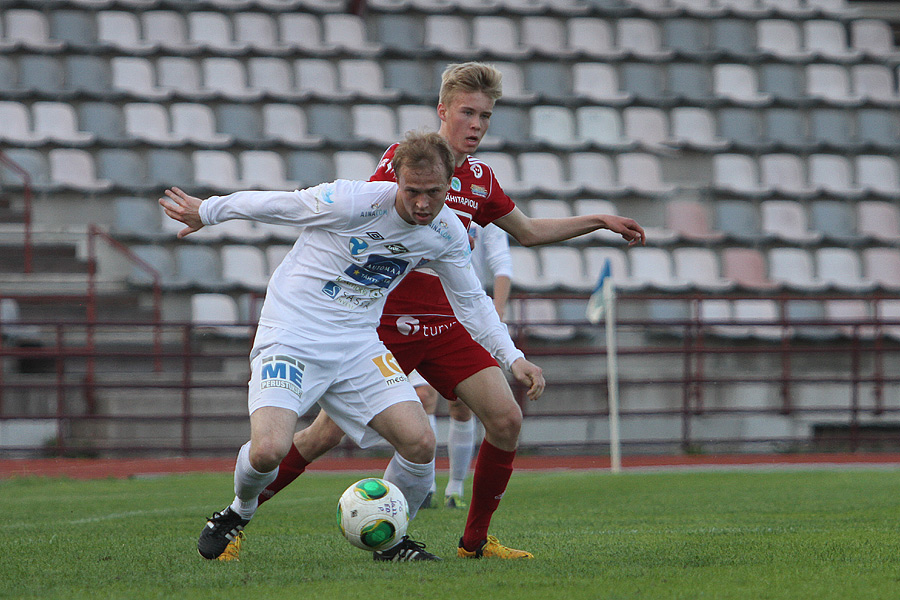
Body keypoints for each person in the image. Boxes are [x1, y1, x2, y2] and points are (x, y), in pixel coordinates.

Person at [244, 61, 646, 562]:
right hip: (385, 321)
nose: (476, 125)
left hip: (446, 322)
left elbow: (528, 232)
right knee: (324, 434)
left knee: (506, 418)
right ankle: (239, 515)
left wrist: (598, 220)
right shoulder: (407, 162)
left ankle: (473, 543)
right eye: (467, 113)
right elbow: (369, 227)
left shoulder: (479, 179)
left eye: (485, 116)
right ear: (443, 111)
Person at [160, 131, 545, 562]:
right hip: (293, 334)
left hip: (359, 343)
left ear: (449, 183)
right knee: (269, 449)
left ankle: (392, 542)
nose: (421, 203)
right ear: (394, 179)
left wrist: (512, 357)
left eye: (433, 193)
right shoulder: (353, 201)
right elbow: (280, 205)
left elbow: (472, 301)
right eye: (412, 192)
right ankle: (236, 513)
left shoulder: (447, 231)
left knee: (420, 444)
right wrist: (208, 211)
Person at [417, 222, 512, 510]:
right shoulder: (424, 203)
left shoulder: (484, 210)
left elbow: (501, 263)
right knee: (423, 396)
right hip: (420, 310)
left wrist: (494, 314)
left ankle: (455, 488)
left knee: (461, 405)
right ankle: (426, 486)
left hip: (466, 312)